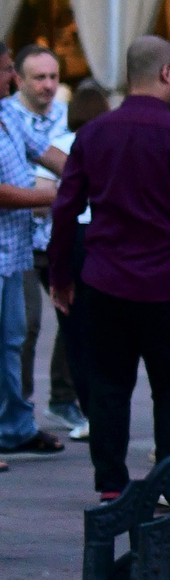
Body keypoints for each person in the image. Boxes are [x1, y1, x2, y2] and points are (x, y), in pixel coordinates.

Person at [48, 38, 170, 492]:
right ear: (168, 74)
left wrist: (60, 277)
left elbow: (65, 210)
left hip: (105, 279)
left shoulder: (92, 134)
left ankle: (111, 484)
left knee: (108, 384)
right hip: (164, 281)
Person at [0, 73, 56, 458]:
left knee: (12, 343)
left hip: (13, 253)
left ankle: (16, 427)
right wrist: (57, 194)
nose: (14, 78)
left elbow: (45, 151)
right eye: (8, 68)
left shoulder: (9, 115)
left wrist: (91, 171)